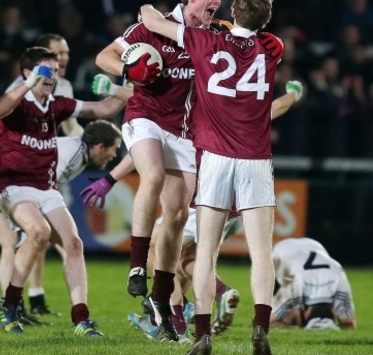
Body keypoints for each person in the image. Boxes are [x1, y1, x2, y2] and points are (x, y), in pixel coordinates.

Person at [88, 75, 304, 340]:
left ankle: (181, 315)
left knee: (160, 246)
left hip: (206, 193)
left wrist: (112, 89)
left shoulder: (200, 108)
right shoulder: (241, 113)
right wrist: (292, 95)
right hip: (237, 199)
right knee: (184, 257)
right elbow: (273, 110)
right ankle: (179, 313)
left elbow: (151, 106)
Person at [139, 0, 279, 355]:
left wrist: (147, 5)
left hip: (215, 158)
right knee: (261, 253)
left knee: (207, 255)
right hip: (255, 159)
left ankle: (202, 335)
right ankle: (261, 327)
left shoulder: (202, 41)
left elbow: (153, 21)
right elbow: (255, 32)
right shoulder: (273, 47)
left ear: (233, 9)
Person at [94, 0, 228, 342]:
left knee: (178, 214)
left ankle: (161, 297)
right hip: (145, 117)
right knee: (150, 176)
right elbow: (104, 56)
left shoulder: (212, 34)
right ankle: (138, 267)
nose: (218, 1)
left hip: (183, 131)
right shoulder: (151, 28)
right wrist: (128, 70)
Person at [0, 46, 123, 336]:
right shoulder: (20, 102)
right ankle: (9, 304)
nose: (53, 75)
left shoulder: (56, 104)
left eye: (55, 69)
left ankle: (81, 319)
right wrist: (26, 85)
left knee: (74, 245)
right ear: (28, 73)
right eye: (46, 69)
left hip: (44, 187)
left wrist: (122, 85)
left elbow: (103, 109)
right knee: (38, 233)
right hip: (12, 184)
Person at [0, 119, 122, 316]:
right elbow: (39, 188)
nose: (114, 155)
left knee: (31, 240)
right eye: (114, 149)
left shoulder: (78, 152)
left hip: (11, 183)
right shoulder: (71, 155)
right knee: (15, 241)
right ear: (100, 147)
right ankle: (12, 307)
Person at [0, 33, 83, 316]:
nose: (64, 58)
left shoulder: (60, 87)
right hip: (12, 176)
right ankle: (14, 298)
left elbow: (74, 120)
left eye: (65, 54)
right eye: (58, 54)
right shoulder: (24, 86)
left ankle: (52, 304)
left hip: (43, 174)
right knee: (30, 236)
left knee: (50, 240)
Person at [270, 237, 356, 330]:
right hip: (280, 251)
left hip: (314, 245)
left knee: (287, 313)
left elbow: (348, 324)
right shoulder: (294, 290)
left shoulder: (340, 284)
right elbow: (268, 321)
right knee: (287, 316)